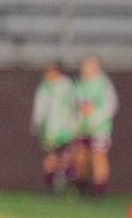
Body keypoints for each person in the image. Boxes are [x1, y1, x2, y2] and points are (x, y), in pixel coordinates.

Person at [73, 56, 119, 195]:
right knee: (81, 158)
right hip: (82, 128)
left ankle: (99, 191)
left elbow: (111, 106)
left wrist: (97, 120)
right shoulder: (79, 84)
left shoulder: (103, 84)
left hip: (99, 129)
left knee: (99, 157)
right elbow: (75, 107)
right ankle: (81, 187)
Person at [32, 62, 77, 194]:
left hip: (65, 130)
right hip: (49, 131)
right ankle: (51, 188)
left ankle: (70, 187)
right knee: (50, 158)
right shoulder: (44, 88)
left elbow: (73, 107)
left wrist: (74, 125)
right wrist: (37, 124)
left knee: (67, 158)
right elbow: (39, 109)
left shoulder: (67, 86)